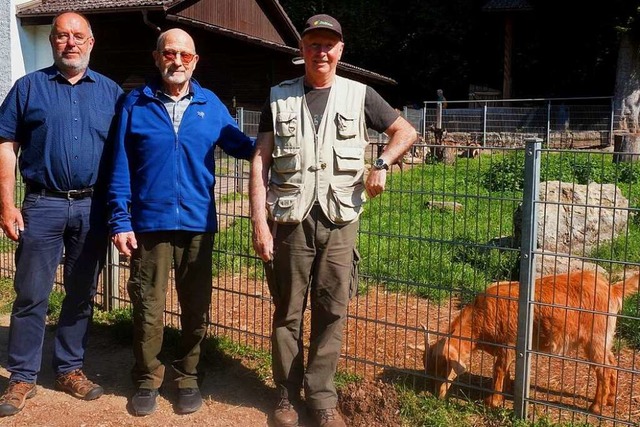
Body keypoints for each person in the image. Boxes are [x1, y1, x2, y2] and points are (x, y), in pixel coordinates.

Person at [249, 14, 417, 427]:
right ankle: (285, 396)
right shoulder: (279, 97)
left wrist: (381, 163)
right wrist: (258, 221)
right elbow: (260, 160)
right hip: (290, 219)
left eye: (328, 44)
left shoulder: (360, 95)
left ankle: (321, 396)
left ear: (340, 50)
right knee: (288, 312)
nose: (321, 51)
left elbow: (405, 132)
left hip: (341, 219)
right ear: (302, 50)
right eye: (313, 44)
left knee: (332, 311)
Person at [107, 28, 255, 416]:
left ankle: (188, 375)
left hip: (197, 223)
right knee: (148, 305)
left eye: (185, 56)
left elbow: (242, 146)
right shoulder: (134, 104)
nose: (177, 61)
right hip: (149, 224)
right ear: (156, 58)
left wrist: (280, 149)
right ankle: (147, 377)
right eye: (169, 53)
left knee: (196, 305)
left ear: (195, 61)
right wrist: (120, 220)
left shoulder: (210, 104)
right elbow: (119, 166)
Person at [0, 12, 123, 417]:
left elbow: (126, 156)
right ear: (52, 42)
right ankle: (21, 376)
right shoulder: (27, 88)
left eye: (78, 36)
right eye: (62, 36)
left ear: (91, 42)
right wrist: (6, 203)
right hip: (42, 204)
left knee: (82, 292)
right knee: (31, 294)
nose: (70, 43)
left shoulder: (111, 93)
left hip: (92, 207)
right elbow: (6, 146)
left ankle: (70, 367)